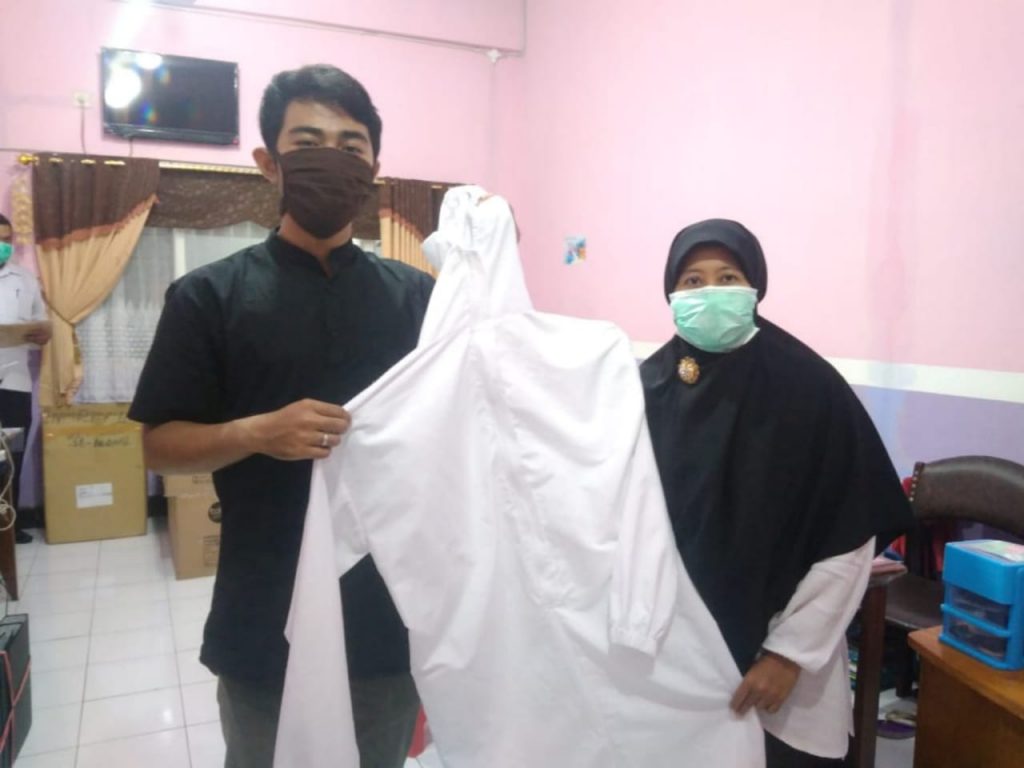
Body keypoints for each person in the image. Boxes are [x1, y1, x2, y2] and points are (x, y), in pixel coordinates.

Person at [129, 65, 433, 768]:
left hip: (386, 607)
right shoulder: (208, 297)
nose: (333, 158)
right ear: (269, 163)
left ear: (373, 170)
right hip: (265, 605)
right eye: (308, 142)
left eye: (351, 147)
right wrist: (257, 432)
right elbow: (159, 446)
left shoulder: (418, 300)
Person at [640, 219, 913, 766]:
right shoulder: (648, 386)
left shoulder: (808, 387)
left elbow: (850, 534)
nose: (709, 292)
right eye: (692, 281)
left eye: (727, 277)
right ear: (670, 292)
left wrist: (788, 656)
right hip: (675, 657)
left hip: (778, 665)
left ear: (755, 285)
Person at [0, 213, 51, 544]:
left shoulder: (24, 278)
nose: (3, 246)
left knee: (13, 454)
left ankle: (10, 524)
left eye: (7, 240)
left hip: (13, 381)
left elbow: (38, 323)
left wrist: (40, 336)